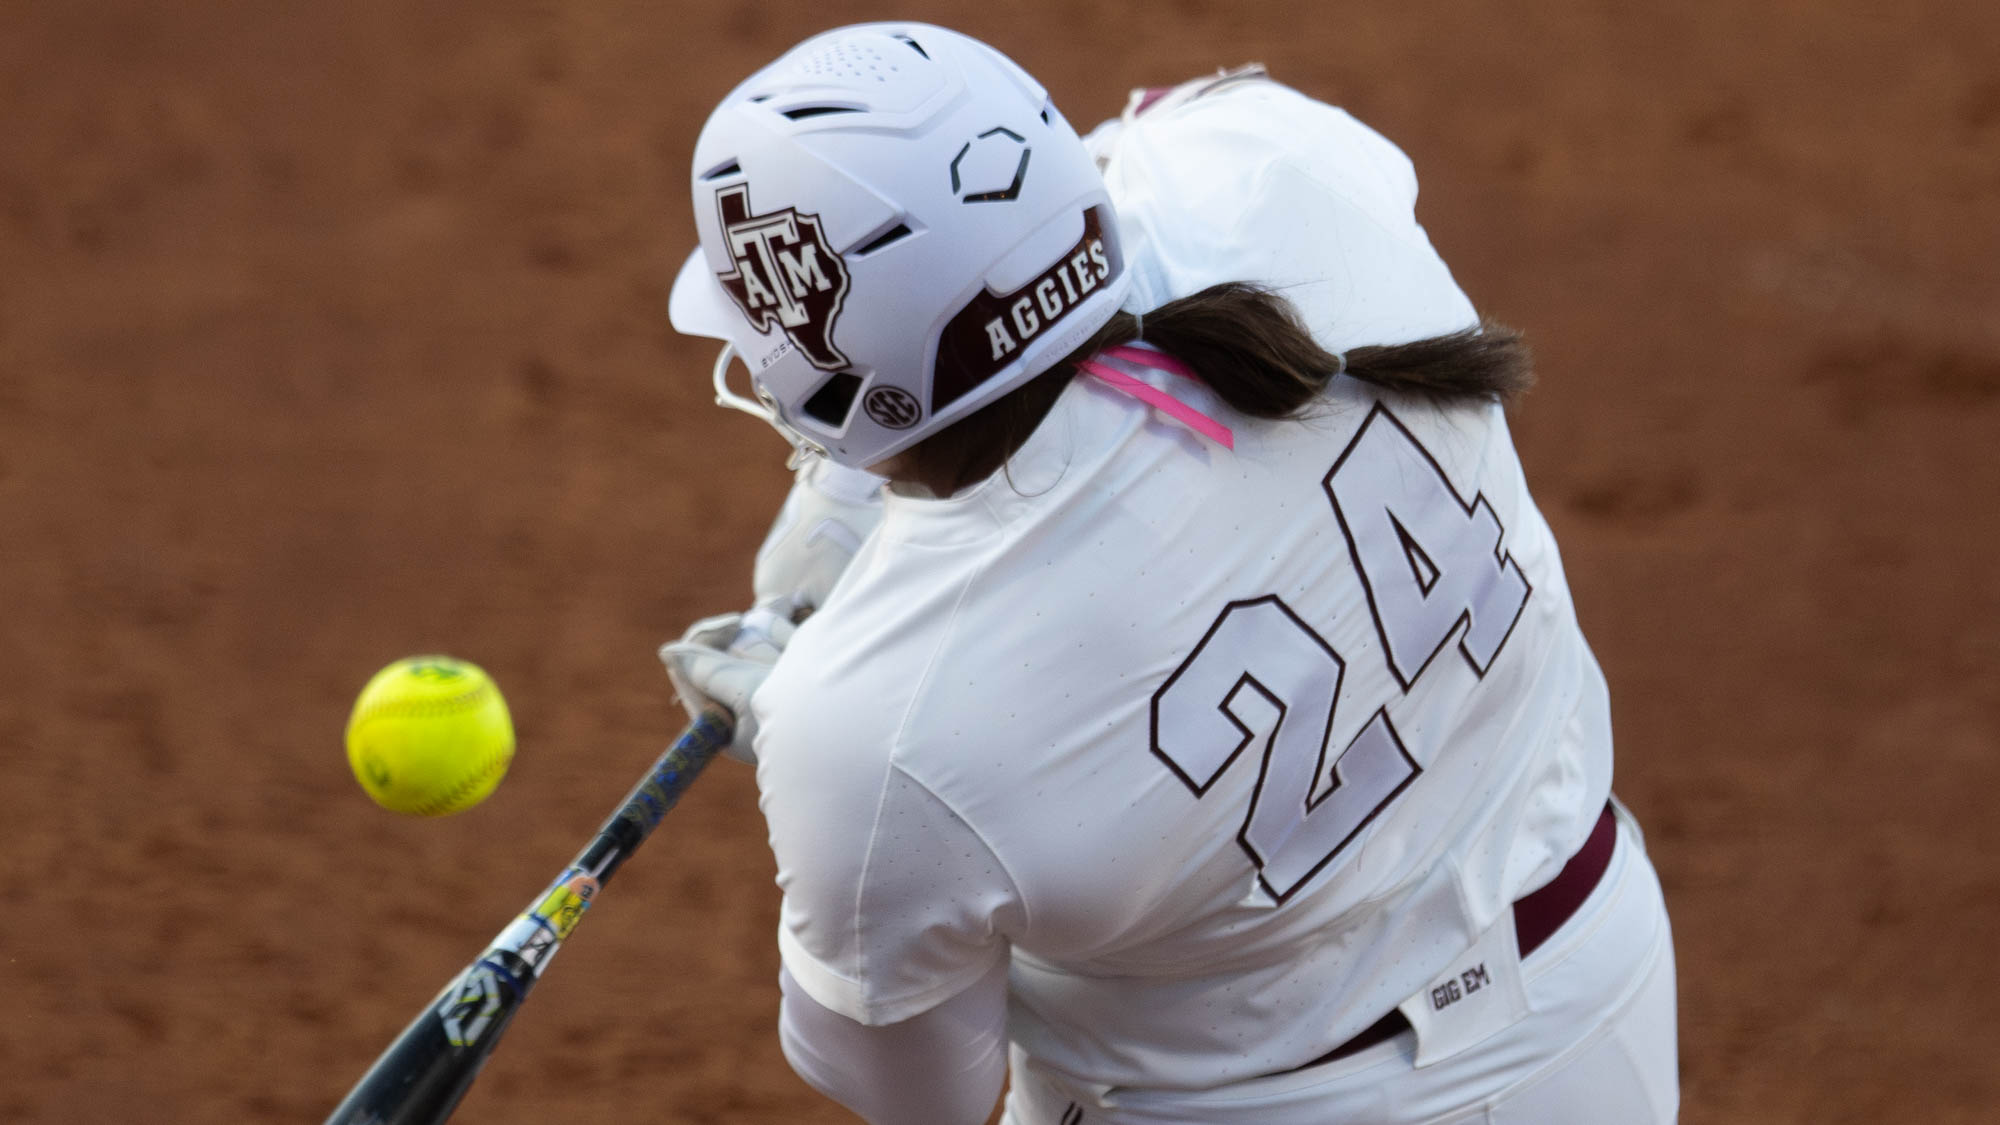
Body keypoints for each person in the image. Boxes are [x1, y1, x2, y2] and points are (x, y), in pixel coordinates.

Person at [661, 22, 1678, 1125]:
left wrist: (840, 741)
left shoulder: (870, 730)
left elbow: (922, 1099)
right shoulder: (1274, 170)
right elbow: (1130, 153)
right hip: (1591, 991)